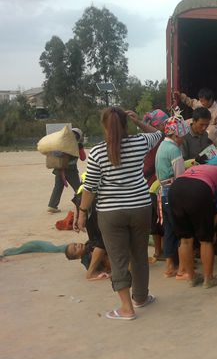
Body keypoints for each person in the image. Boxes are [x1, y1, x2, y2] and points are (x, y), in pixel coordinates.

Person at [75, 107, 162, 321]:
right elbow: (159, 134)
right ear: (125, 124)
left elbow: (90, 187)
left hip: (111, 212)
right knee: (139, 254)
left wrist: (82, 212)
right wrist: (138, 121)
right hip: (140, 207)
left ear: (104, 126)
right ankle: (140, 298)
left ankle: (126, 308)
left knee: (118, 258)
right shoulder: (140, 142)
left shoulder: (97, 153)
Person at [168, 162, 217, 288]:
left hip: (175, 189)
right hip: (199, 190)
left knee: (185, 239)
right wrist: (210, 226)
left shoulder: (197, 167)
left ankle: (191, 277)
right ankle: (208, 279)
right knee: (205, 240)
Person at [155, 113, 190, 279]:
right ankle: (183, 268)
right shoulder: (174, 150)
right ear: (176, 135)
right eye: (182, 136)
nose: (183, 139)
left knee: (169, 230)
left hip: (163, 191)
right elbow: (180, 176)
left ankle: (170, 266)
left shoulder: (162, 146)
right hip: (174, 191)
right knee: (182, 230)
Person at [142, 109, 169, 263]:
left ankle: (159, 251)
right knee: (160, 219)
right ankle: (162, 250)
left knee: (155, 220)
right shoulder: (157, 142)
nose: (164, 128)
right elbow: (149, 165)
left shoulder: (147, 140)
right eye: (162, 125)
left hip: (149, 186)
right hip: (155, 185)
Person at [47, 128, 86, 213]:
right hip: (71, 170)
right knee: (78, 188)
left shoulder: (60, 143)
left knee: (58, 187)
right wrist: (81, 148)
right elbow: (83, 158)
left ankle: (52, 206)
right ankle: (82, 204)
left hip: (59, 168)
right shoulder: (77, 145)